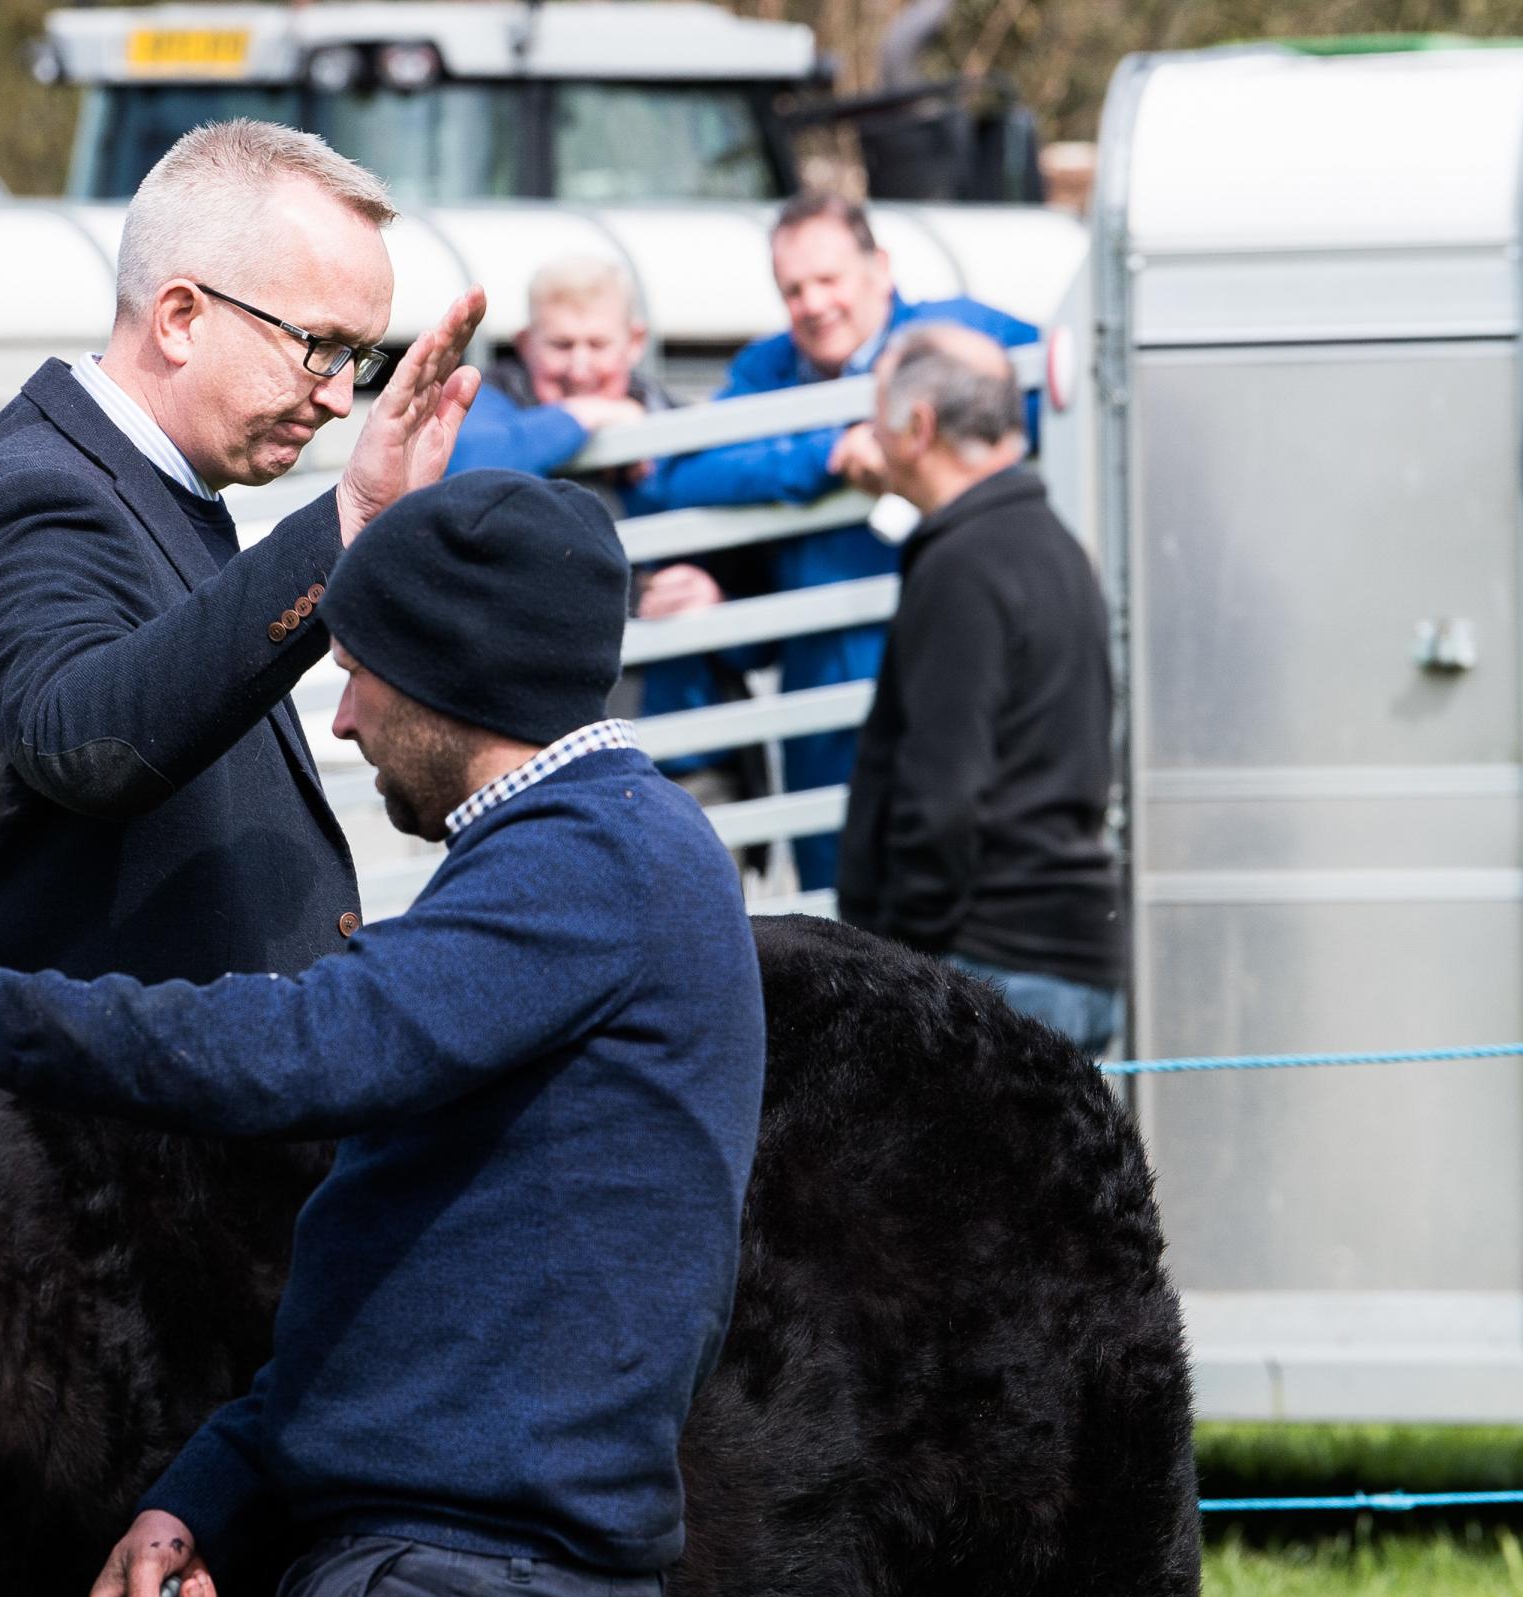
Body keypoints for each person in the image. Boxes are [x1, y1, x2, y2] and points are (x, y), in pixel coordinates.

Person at [0, 471, 764, 1597]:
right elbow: (389, 1257)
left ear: (453, 672)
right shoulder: (581, 857)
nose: (342, 721)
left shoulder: (594, 862)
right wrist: (210, 1492)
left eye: (353, 674)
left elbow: (300, 1046)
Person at [0, 119, 484, 985]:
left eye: (358, 358)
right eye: (319, 345)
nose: (337, 399)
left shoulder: (141, 480)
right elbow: (87, 741)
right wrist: (347, 518)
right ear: (179, 317)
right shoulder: (34, 491)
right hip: (83, 1114)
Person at [629, 192, 1038, 892]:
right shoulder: (771, 369)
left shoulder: (957, 336)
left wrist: (896, 438)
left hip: (956, 674)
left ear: (880, 268)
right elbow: (685, 469)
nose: (814, 304)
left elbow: (1057, 385)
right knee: (846, 933)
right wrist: (824, 453)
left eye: (829, 279)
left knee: (963, 906)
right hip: (823, 708)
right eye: (794, 288)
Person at [836, 325, 1122, 1055]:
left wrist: (897, 969)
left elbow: (941, 797)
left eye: (876, 415)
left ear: (918, 427)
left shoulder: (962, 566)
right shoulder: (1050, 544)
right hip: (1060, 957)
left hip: (987, 967)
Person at [444, 254, 671, 506]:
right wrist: (582, 414)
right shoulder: (489, 394)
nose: (579, 371)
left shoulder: (657, 404)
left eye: (598, 345)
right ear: (525, 344)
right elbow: (464, 465)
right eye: (561, 346)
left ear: (635, 342)